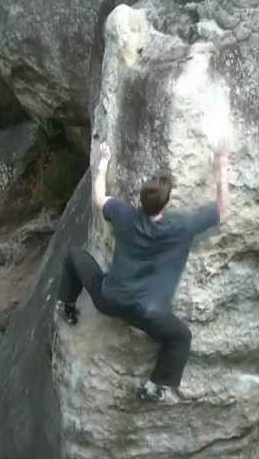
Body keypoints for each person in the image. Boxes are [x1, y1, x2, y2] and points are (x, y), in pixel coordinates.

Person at [57, 133, 232, 402]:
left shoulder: (123, 214)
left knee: (73, 256)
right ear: (166, 202)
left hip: (110, 300)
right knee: (181, 338)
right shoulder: (180, 227)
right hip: (149, 315)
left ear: (141, 200)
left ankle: (66, 307)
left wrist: (104, 162)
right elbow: (223, 210)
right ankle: (155, 387)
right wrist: (220, 163)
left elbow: (98, 197)